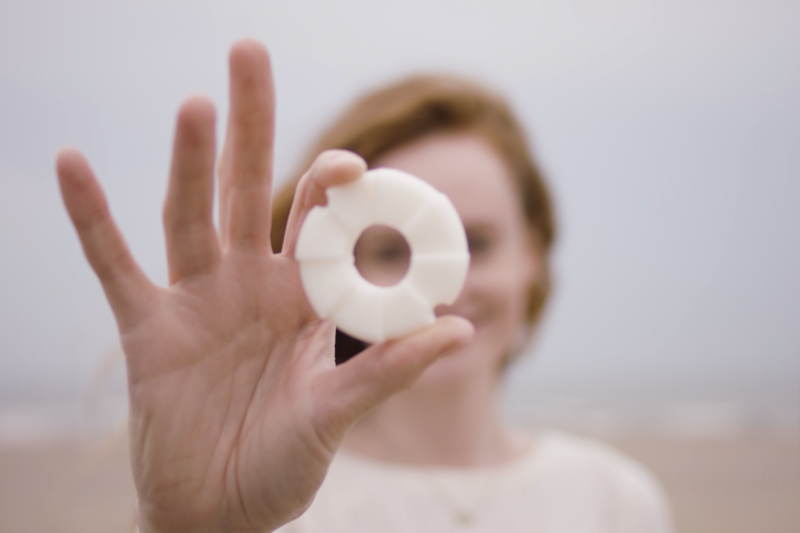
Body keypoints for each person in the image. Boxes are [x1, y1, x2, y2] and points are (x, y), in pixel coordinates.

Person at [55, 39, 671, 533]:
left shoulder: (618, 503)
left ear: (531, 256)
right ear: (330, 271)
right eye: (387, 250)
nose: (443, 289)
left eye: (477, 243)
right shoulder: (271, 503)